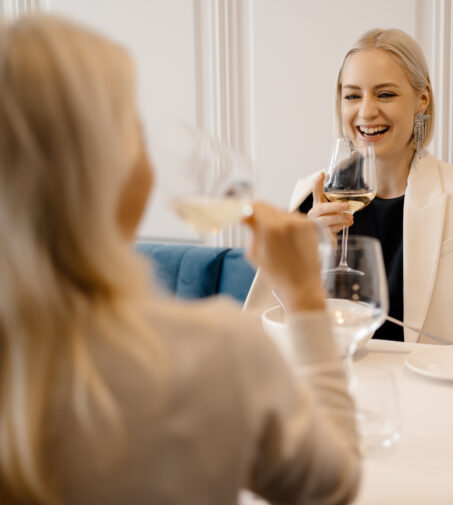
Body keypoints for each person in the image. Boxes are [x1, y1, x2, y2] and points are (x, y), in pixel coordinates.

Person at [0, 14, 359, 505]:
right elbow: (332, 486)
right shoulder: (216, 351)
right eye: (136, 131)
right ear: (108, 169)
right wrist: (303, 295)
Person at [244, 28, 453, 351]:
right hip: (342, 386)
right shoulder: (310, 197)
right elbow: (270, 326)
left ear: (421, 100)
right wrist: (304, 260)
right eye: (352, 95)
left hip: (441, 393)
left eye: (385, 94)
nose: (366, 112)